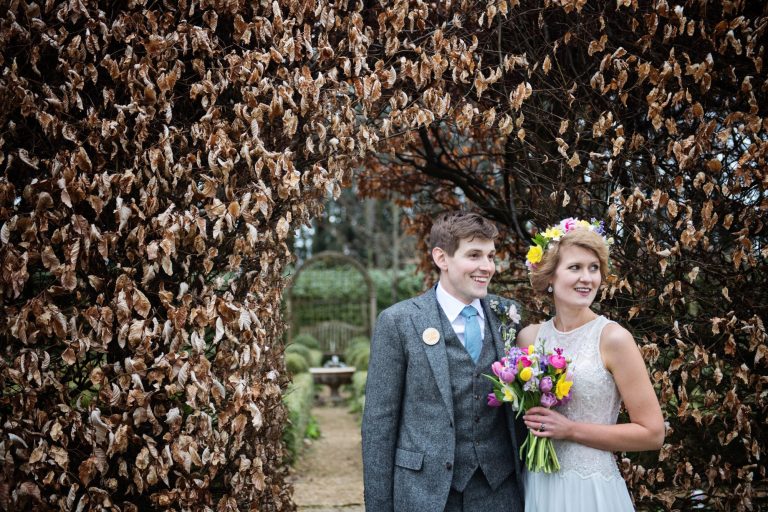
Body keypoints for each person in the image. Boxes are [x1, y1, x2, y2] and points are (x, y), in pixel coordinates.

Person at [362, 211, 525, 512]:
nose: (487, 267)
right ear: (441, 258)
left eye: (490, 256)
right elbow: (379, 424)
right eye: (474, 255)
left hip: (500, 492)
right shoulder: (399, 321)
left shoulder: (509, 316)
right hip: (424, 493)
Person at [516, 218, 665, 511]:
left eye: (594, 268)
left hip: (590, 489)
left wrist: (570, 430)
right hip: (537, 484)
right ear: (550, 276)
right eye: (575, 267)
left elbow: (652, 433)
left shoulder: (613, 339)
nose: (587, 278)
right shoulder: (529, 338)